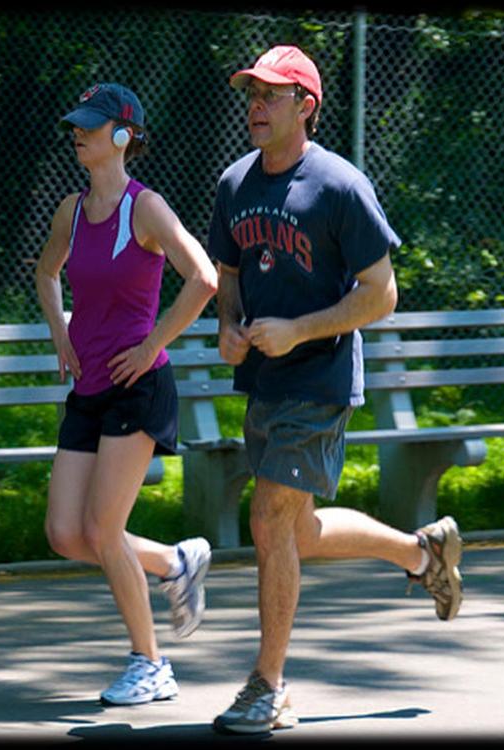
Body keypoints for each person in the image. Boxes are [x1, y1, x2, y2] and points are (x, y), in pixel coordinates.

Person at [206, 45, 464, 734]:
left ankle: (268, 685)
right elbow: (227, 276)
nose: (255, 107)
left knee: (267, 520)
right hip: (264, 379)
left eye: (270, 95)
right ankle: (422, 553)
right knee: (295, 529)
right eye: (250, 95)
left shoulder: (340, 187)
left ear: (305, 106)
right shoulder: (235, 183)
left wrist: (301, 330)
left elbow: (381, 294)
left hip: (318, 381)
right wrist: (230, 326)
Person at [35, 82, 218, 706]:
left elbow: (204, 278)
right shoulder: (70, 210)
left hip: (139, 389)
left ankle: (151, 664)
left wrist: (151, 346)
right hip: (88, 387)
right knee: (66, 533)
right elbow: (46, 272)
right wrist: (61, 330)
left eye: (90, 125)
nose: (77, 134)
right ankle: (174, 563)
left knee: (103, 529)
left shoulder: (146, 209)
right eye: (75, 125)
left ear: (122, 135)